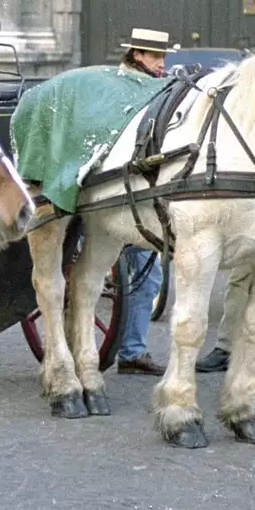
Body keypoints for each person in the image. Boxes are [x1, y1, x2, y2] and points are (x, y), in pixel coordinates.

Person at [112, 28, 177, 376]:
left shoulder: (160, 89)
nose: (161, 63)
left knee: (148, 277)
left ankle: (132, 351)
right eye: (155, 57)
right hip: (116, 193)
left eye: (164, 57)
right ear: (137, 55)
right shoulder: (121, 89)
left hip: (144, 196)